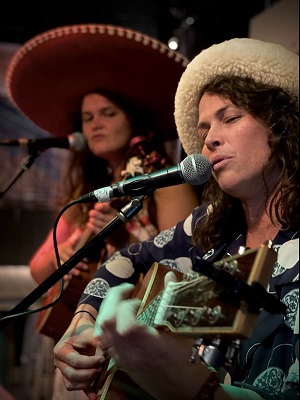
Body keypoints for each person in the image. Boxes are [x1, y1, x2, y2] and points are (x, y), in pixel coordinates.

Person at [51, 36, 299, 400]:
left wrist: (179, 379)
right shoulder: (208, 225)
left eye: (229, 118)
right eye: (204, 131)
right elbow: (126, 261)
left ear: (282, 126)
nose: (211, 138)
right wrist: (83, 318)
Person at [5, 24, 200, 399]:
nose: (94, 124)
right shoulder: (88, 194)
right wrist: (85, 238)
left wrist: (126, 235)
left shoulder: (165, 180)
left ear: (133, 121)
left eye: (107, 113)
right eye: (87, 118)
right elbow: (39, 270)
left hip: (137, 335)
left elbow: (183, 263)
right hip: (82, 329)